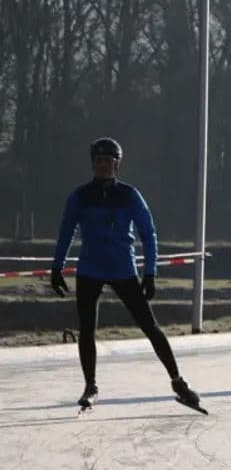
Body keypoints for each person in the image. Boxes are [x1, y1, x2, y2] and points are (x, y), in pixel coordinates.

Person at [52, 138, 204, 412]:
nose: (101, 166)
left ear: (117, 163)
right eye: (97, 161)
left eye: (107, 161)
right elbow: (66, 232)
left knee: (150, 327)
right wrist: (56, 267)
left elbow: (149, 234)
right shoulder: (80, 196)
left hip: (123, 269)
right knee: (87, 330)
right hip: (90, 269)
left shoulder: (130, 195)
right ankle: (91, 386)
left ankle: (178, 382)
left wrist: (150, 272)